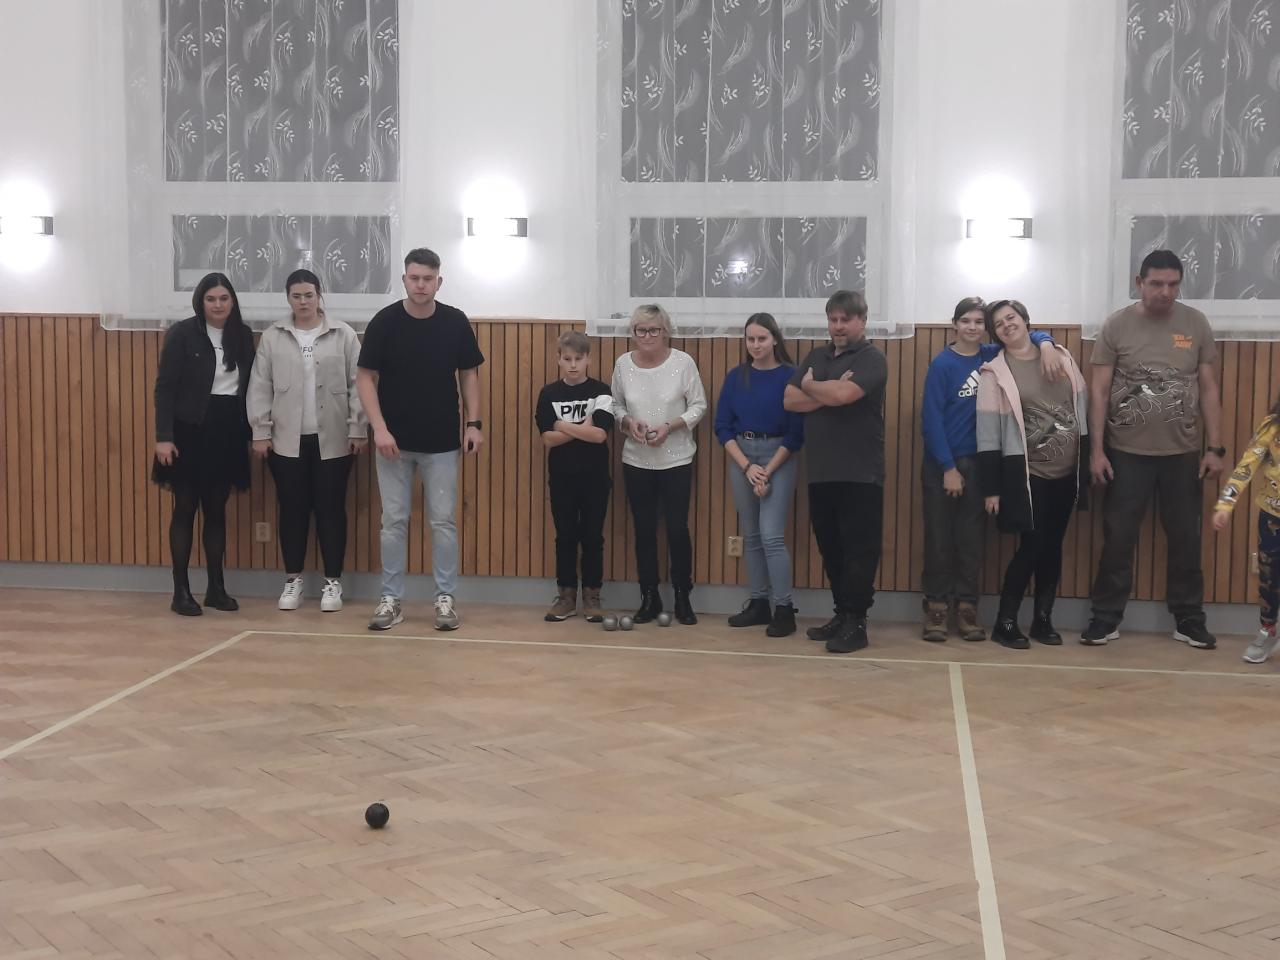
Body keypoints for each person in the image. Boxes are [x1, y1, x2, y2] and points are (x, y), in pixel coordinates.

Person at [1083, 249, 1225, 649]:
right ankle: (1105, 617)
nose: (1166, 292)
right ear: (1139, 283)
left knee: (1186, 538)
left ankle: (1189, 618)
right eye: (1157, 284)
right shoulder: (1117, 325)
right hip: (1126, 452)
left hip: (1183, 453)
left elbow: (1209, 388)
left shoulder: (1195, 323)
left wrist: (1215, 447)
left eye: (1173, 284)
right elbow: (1099, 392)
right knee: (1118, 537)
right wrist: (1097, 451)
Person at [920, 297, 1065, 643]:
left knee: (971, 542)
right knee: (939, 540)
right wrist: (948, 467)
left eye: (978, 322)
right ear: (954, 324)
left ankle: (967, 609)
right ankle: (936, 609)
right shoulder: (942, 364)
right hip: (943, 465)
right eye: (965, 321)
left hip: (980, 465)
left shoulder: (992, 356)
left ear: (986, 329)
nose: (972, 327)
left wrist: (1046, 343)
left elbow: (1030, 335)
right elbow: (931, 420)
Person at [357, 248, 485, 631]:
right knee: (393, 521)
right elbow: (365, 378)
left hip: (442, 442)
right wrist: (379, 428)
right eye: (414, 278)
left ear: (438, 282)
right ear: (404, 280)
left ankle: (445, 600)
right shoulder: (384, 322)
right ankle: (391, 599)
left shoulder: (455, 322)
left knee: (443, 522)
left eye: (428, 279)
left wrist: (474, 423)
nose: (420, 285)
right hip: (392, 443)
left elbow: (469, 374)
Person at [247, 269, 367, 613]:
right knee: (292, 510)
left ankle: (333, 582)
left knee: (331, 510)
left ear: (319, 296)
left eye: (309, 295)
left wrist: (358, 428)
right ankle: (293, 579)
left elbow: (359, 384)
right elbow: (260, 386)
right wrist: (260, 431)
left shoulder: (343, 334)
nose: (303, 302)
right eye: (296, 296)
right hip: (285, 442)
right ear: (288, 298)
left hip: (335, 440)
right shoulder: (273, 337)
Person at [976, 300, 1089, 649]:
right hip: (1028, 476)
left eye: (1011, 318)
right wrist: (991, 489)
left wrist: (1047, 344)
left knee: (1053, 547)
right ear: (995, 334)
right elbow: (988, 435)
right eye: (999, 323)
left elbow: (1083, 406)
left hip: (1067, 472)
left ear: (1026, 321)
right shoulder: (993, 373)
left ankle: (1043, 619)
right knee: (1032, 546)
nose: (1007, 325)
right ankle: (1005, 621)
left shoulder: (1061, 356)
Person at [783, 290, 887, 654]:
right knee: (831, 549)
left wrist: (812, 386)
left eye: (846, 320)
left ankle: (857, 622)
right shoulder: (817, 356)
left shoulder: (872, 358)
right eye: (833, 320)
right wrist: (828, 391)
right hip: (821, 471)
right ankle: (842, 614)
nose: (838, 326)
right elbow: (789, 400)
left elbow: (843, 396)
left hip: (861, 472)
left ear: (862, 321)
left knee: (859, 550)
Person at [152, 272, 254, 616]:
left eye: (224, 298)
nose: (218, 305)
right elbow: (165, 388)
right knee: (184, 509)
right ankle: (181, 591)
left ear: (232, 301)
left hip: (228, 430)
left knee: (216, 511)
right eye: (211, 299)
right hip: (188, 431)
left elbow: (252, 386)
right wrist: (164, 437)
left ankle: (216, 589)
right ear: (201, 301)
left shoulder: (242, 335)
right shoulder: (182, 333)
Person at [611, 304, 708, 625]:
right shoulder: (623, 364)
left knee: (677, 529)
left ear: (666, 332)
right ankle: (649, 596)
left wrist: (670, 426)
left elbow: (699, 406)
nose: (648, 336)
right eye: (641, 330)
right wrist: (629, 423)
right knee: (643, 530)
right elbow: (615, 405)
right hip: (636, 460)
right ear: (633, 333)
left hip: (676, 459)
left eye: (654, 330)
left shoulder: (683, 363)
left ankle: (682, 595)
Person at [714, 313, 804, 637]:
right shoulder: (737, 377)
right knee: (751, 535)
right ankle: (759, 602)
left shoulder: (791, 376)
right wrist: (747, 467)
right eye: (750, 339)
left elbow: (796, 434)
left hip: (778, 456)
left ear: (774, 339)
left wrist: (766, 470)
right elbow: (722, 427)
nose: (755, 345)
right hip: (742, 456)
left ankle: (784, 608)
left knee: (771, 536)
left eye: (762, 339)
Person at [535, 331, 614, 623]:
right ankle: (566, 596)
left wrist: (561, 424)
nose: (572, 365)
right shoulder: (549, 394)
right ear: (558, 359)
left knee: (593, 536)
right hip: (562, 478)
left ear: (588, 359)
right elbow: (547, 440)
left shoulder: (602, 391)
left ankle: (592, 596)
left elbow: (599, 435)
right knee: (565, 537)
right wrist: (583, 426)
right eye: (567, 358)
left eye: (578, 359)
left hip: (595, 478)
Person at [1212, 397, 1280, 663]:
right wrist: (1224, 505)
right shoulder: (1271, 428)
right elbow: (1244, 469)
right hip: (1272, 519)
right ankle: (1268, 630)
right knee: (1269, 577)